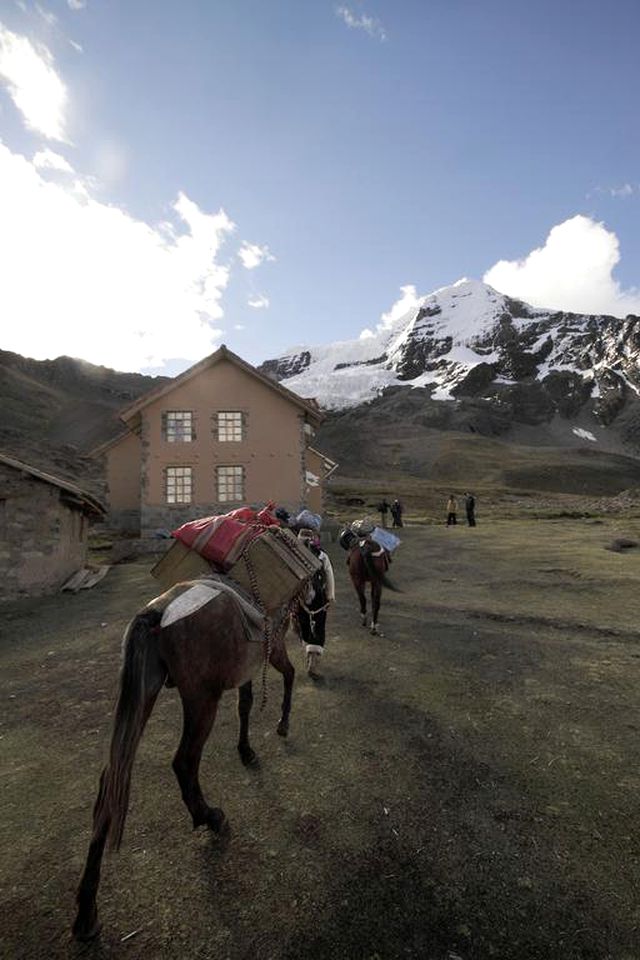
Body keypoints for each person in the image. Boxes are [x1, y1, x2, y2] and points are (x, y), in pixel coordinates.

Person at [296, 529, 336, 678]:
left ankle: (309, 653)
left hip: (299, 597)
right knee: (319, 626)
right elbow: (329, 574)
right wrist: (330, 596)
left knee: (303, 624)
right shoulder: (322, 555)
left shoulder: (294, 555)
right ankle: (314, 660)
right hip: (319, 597)